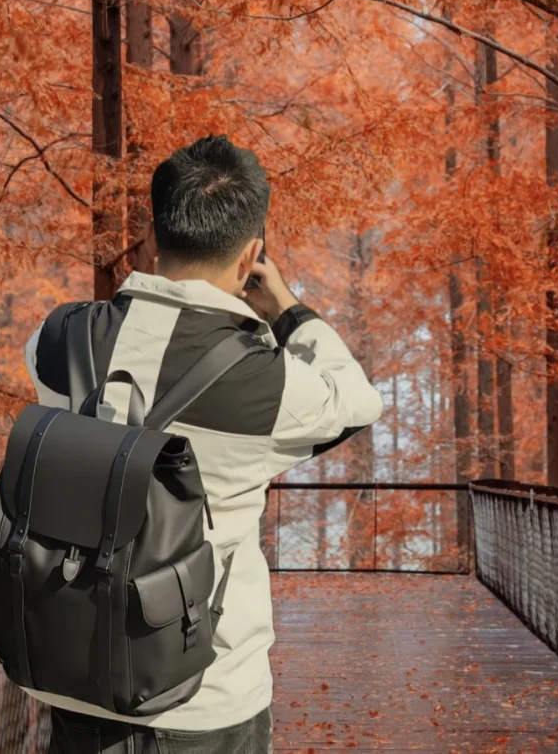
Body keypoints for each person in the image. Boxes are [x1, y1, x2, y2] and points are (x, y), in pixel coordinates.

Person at [24, 134, 383, 754]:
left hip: (75, 683)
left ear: (155, 235)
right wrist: (287, 309)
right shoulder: (265, 384)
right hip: (205, 698)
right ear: (250, 257)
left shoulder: (61, 339)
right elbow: (357, 399)